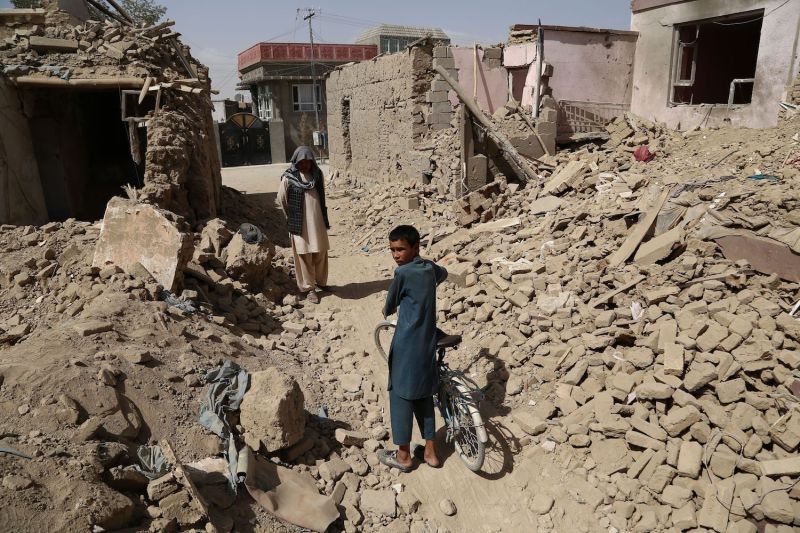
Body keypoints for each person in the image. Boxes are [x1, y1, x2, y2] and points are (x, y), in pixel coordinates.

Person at [378, 225, 448, 472]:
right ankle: (430, 452)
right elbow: (444, 273)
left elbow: (390, 304)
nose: (396, 255)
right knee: (423, 396)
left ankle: (404, 456)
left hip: (407, 344)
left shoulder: (403, 273)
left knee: (400, 396)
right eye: (392, 250)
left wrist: (387, 310)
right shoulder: (428, 268)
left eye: (400, 249)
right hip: (427, 344)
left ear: (415, 247)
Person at [278, 146, 330, 304]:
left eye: (308, 162)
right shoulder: (289, 177)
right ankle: (309, 288)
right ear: (296, 162)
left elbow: (322, 197)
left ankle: (321, 282)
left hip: (318, 222)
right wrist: (291, 215)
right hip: (299, 224)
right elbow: (281, 199)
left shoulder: (317, 175)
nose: (305, 165)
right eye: (302, 162)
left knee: (320, 252)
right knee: (304, 254)